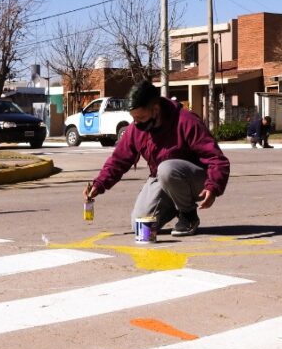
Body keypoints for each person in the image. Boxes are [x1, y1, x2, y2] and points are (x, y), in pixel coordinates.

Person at [84, 81, 230, 237]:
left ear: (156, 109)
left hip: (195, 180)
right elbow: (118, 160)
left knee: (166, 168)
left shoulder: (186, 121)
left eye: (141, 117)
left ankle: (188, 215)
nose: (137, 122)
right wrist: (99, 184)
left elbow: (217, 159)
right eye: (134, 118)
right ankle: (175, 205)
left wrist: (213, 186)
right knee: (140, 224)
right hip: (163, 179)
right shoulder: (135, 129)